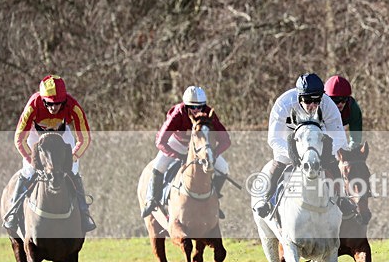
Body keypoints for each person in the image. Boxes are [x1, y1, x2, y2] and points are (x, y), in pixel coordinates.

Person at [5, 75, 96, 232]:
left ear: (64, 100)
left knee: (73, 169)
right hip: (35, 133)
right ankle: (13, 210)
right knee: (28, 170)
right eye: (49, 104)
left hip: (61, 133)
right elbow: (19, 138)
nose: (54, 108)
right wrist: (33, 160)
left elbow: (85, 138)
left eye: (58, 104)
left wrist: (71, 158)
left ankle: (83, 211)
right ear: (42, 99)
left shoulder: (73, 106)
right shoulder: (33, 105)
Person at [253, 72, 349, 218]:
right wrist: (292, 152)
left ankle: (343, 199)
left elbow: (339, 137)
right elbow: (273, 138)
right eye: (308, 100)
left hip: (317, 143)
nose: (312, 105)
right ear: (299, 97)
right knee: (279, 163)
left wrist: (325, 152)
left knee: (332, 164)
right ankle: (266, 200)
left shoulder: (328, 105)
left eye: (317, 101)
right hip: (289, 140)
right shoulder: (283, 104)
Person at [140, 85, 231, 219]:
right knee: (158, 165)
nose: (196, 110)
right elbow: (160, 141)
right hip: (177, 144)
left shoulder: (208, 113)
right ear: (186, 106)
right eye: (192, 107)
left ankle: (214, 200)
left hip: (200, 147)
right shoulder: (178, 113)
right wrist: (177, 156)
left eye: (199, 107)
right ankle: (152, 199)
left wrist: (213, 154)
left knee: (223, 168)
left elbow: (225, 140)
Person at [324, 75, 363, 148]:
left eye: (344, 99)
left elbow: (356, 138)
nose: (340, 104)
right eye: (336, 100)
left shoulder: (353, 108)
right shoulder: (320, 107)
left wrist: (350, 152)